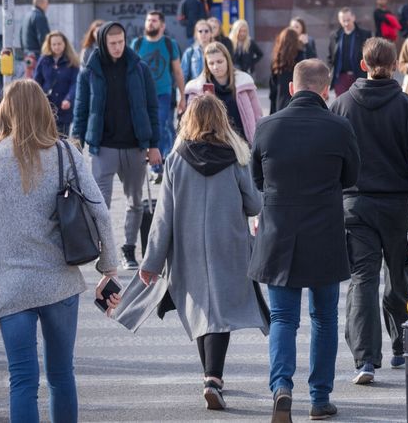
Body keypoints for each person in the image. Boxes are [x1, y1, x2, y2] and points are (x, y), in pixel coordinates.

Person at [0, 80, 121, 423]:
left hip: (7, 287)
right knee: (61, 376)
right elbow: (99, 211)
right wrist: (108, 270)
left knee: (22, 380)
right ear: (44, 108)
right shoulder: (66, 152)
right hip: (59, 283)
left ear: (6, 110)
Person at [138, 94, 267, 412]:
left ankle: (209, 377)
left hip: (188, 246)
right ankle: (214, 379)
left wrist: (151, 261)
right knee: (219, 313)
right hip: (229, 244)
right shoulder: (236, 156)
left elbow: (163, 217)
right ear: (221, 121)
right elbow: (254, 204)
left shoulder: (176, 159)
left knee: (201, 311)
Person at [249, 59, 360, 422]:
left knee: (282, 317)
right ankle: (319, 397)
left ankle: (281, 386)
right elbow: (350, 176)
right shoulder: (339, 127)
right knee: (324, 318)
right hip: (324, 231)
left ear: (293, 88)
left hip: (279, 231)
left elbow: (257, 180)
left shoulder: (266, 126)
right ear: (325, 89)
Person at [330, 38, 408, 385]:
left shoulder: (341, 105)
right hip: (399, 205)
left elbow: (333, 160)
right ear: (397, 66)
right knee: (399, 276)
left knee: (363, 279)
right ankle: (403, 342)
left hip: (354, 204)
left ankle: (365, 359)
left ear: (362, 65)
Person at [71, 21, 161, 271]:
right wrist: (75, 143)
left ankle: (128, 249)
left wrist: (154, 145)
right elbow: (81, 109)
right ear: (102, 43)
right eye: (113, 43)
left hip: (135, 146)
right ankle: (104, 250)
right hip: (103, 147)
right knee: (100, 204)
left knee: (134, 202)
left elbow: (153, 109)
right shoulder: (89, 71)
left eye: (121, 41)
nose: (118, 47)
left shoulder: (139, 69)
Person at [131, 10, 185, 168]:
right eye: (148, 20)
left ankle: (159, 165)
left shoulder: (169, 44)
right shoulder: (137, 43)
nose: (150, 23)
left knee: (161, 125)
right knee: (143, 127)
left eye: (154, 20)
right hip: (141, 94)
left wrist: (182, 96)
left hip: (163, 94)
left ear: (162, 25)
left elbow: (177, 71)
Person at [184, 42, 263, 143]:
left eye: (219, 61)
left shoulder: (244, 82)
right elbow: (191, 122)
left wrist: (259, 141)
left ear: (227, 60)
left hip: (242, 142)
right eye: (211, 63)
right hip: (212, 144)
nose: (216, 67)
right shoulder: (197, 88)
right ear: (206, 65)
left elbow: (258, 115)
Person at [34, 31, 80, 136]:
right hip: (46, 106)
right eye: (54, 44)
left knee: (62, 138)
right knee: (46, 138)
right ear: (49, 45)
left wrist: (69, 99)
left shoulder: (72, 61)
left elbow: (75, 83)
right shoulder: (43, 60)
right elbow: (36, 82)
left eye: (59, 44)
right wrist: (39, 99)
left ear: (65, 44)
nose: (57, 47)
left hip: (64, 107)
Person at [327, 7, 373, 97]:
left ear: (353, 17)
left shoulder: (365, 35)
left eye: (348, 20)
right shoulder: (335, 35)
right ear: (339, 20)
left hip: (358, 76)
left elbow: (370, 56)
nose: (346, 23)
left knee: (358, 104)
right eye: (343, 20)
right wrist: (330, 73)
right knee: (341, 105)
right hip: (340, 78)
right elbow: (330, 57)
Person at [269, 28, 304, 115]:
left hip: (280, 103)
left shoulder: (276, 60)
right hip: (297, 102)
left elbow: (273, 88)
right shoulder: (301, 57)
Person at [21, 0, 50, 78]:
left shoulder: (26, 16)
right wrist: (48, 52)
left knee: (29, 80)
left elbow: (20, 35)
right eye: (47, 4)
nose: (48, 6)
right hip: (37, 55)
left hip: (27, 54)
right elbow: (43, 37)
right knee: (39, 80)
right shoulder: (40, 17)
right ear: (42, 4)